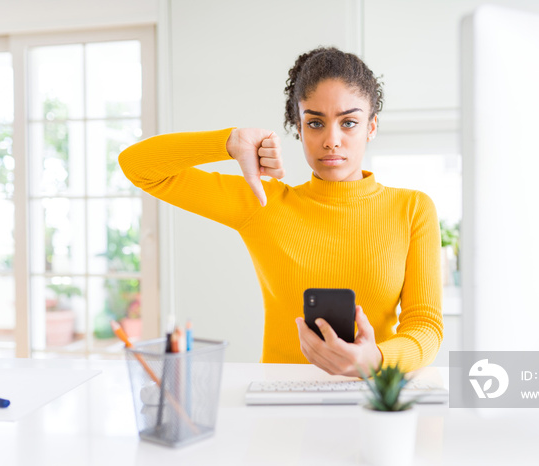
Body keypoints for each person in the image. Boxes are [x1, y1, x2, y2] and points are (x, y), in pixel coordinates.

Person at [119, 46, 443, 377]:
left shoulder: (412, 209)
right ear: (298, 129)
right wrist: (229, 142)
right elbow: (137, 166)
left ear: (371, 127)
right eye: (316, 123)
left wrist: (375, 359)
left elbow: (426, 326)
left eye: (349, 122)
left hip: (377, 395)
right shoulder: (263, 201)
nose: (332, 140)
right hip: (278, 399)